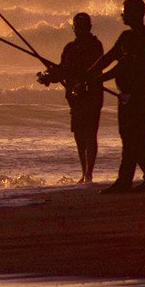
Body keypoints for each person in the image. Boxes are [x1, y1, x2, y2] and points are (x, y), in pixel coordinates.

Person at [93, 0, 145, 193]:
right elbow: (109, 58)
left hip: (140, 95)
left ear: (137, 14)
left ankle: (129, 180)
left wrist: (98, 79)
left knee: (135, 137)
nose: (122, 15)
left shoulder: (144, 39)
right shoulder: (125, 36)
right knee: (130, 137)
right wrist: (89, 74)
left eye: (125, 11)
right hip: (126, 95)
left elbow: (123, 66)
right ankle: (143, 179)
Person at [37, 12, 104, 183]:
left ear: (89, 27)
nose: (79, 30)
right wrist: (48, 77)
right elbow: (62, 71)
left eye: (82, 27)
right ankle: (84, 172)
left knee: (91, 133)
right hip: (75, 97)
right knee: (79, 136)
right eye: (77, 27)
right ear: (74, 28)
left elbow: (95, 69)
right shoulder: (69, 48)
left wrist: (78, 79)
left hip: (92, 94)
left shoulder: (96, 46)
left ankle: (89, 173)